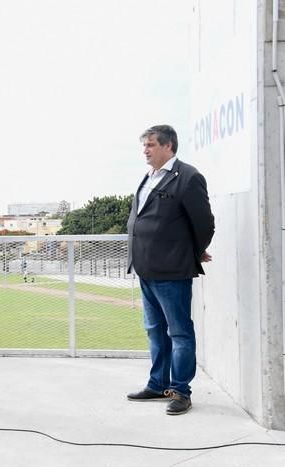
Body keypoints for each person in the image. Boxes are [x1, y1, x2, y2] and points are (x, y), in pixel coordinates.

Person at [126, 125, 215, 415]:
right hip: (146, 270)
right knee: (155, 331)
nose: (145, 151)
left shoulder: (188, 177)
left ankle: (180, 391)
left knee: (179, 333)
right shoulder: (149, 177)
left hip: (172, 271)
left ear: (168, 146)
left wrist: (192, 251)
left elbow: (204, 224)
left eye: (151, 145)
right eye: (144, 146)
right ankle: (158, 385)